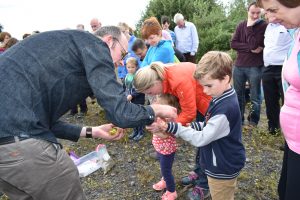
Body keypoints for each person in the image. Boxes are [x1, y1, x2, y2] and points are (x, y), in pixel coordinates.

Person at [0, 26, 177, 200]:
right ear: (109, 41)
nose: (122, 62)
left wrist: (94, 131)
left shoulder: (67, 47)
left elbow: (43, 123)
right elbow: (121, 114)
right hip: (20, 143)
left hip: (8, 154)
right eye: (122, 54)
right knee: (65, 180)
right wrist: (157, 109)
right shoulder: (94, 45)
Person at [147, 51, 246, 200]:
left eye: (208, 86)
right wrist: (191, 125)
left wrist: (174, 127)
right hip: (217, 159)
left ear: (226, 78)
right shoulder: (220, 96)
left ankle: (204, 185)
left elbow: (201, 139)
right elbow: (208, 125)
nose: (204, 91)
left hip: (222, 166)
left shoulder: (225, 109)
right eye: (202, 86)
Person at [134, 61, 211, 199]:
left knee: (207, 144)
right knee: (201, 143)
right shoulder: (163, 76)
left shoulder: (178, 81)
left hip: (207, 104)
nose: (151, 95)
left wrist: (166, 129)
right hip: (196, 102)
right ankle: (198, 173)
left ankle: (204, 184)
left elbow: (188, 113)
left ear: (156, 82)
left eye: (150, 92)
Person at [257, 1, 300, 199]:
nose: (271, 18)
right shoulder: (296, 32)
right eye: (267, 12)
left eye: (274, 10)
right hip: (293, 142)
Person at [230, 2, 267, 126]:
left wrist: (250, 27)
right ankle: (239, 120)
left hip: (255, 66)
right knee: (238, 94)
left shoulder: (263, 26)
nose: (255, 16)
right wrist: (249, 48)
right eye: (252, 13)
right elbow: (233, 44)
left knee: (255, 96)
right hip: (239, 66)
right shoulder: (241, 25)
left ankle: (253, 121)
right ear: (248, 11)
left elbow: (255, 45)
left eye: (258, 13)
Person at [262, 22, 292, 135]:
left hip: (283, 67)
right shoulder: (268, 26)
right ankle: (273, 129)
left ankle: (288, 133)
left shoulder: (288, 24)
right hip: (268, 67)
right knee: (270, 100)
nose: (266, 14)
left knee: (287, 101)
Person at [151, 94, 180, 200]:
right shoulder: (159, 117)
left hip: (167, 151)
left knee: (166, 171)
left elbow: (165, 135)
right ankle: (164, 181)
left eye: (160, 105)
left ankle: (172, 191)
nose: (157, 107)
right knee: (164, 169)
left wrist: (153, 130)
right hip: (159, 149)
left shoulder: (170, 120)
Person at [124, 57, 145, 141]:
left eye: (132, 67)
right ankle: (135, 131)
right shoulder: (127, 76)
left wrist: (132, 95)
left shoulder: (138, 76)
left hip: (138, 100)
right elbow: (124, 87)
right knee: (132, 116)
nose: (130, 69)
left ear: (136, 67)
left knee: (139, 115)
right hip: (129, 100)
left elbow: (140, 89)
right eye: (128, 67)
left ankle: (140, 132)